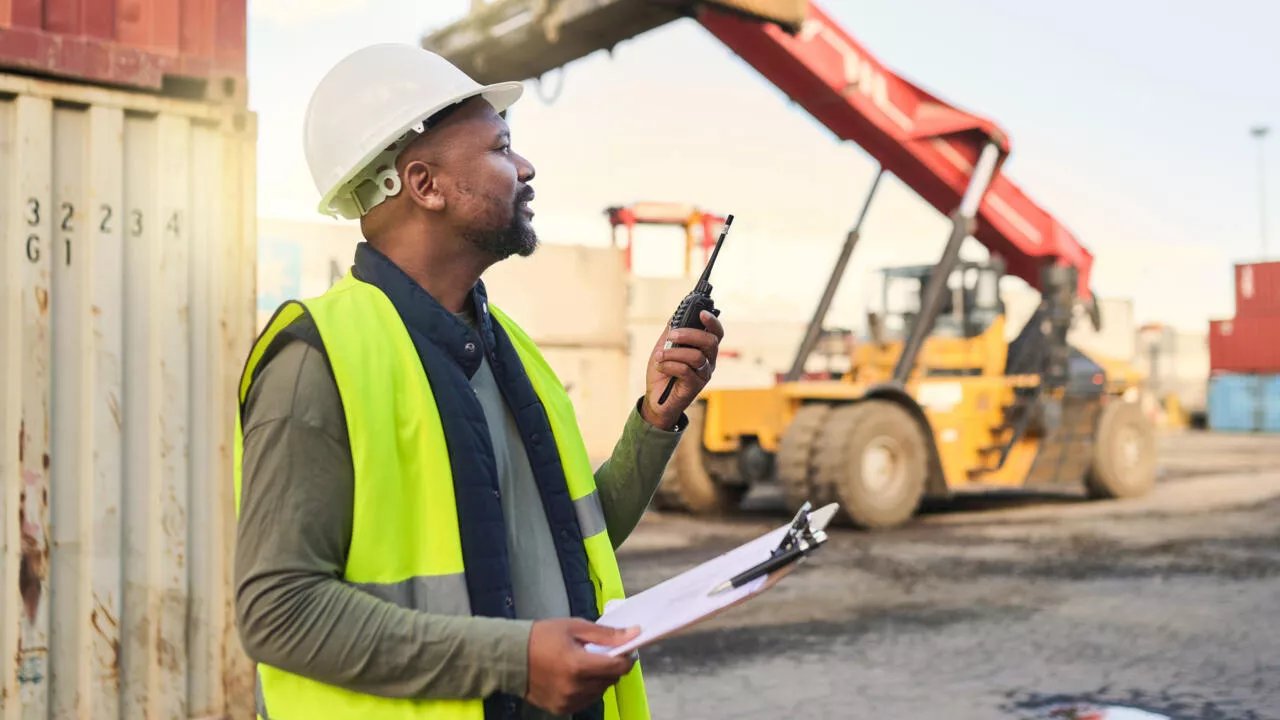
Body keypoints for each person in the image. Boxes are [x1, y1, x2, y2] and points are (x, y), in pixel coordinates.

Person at [231, 43, 726, 720]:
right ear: (424, 184)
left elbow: (572, 542)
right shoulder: (317, 360)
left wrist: (657, 420)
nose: (525, 168)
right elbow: (278, 611)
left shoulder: (510, 350)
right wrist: (512, 661)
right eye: (500, 148)